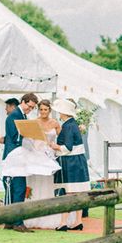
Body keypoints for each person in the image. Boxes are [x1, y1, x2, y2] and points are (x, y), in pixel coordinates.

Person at [50, 99, 91, 231]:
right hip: (78, 162)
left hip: (71, 164)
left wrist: (54, 146)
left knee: (68, 193)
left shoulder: (68, 126)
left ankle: (63, 222)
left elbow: (67, 147)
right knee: (77, 193)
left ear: (63, 112)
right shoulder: (73, 124)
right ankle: (78, 221)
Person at [1, 92, 39, 232]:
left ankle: (12, 221)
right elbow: (14, 137)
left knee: (19, 189)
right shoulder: (14, 116)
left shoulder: (22, 116)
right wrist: (28, 133)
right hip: (13, 157)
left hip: (19, 156)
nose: (30, 110)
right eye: (29, 106)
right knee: (16, 189)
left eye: (32, 108)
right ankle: (16, 222)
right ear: (23, 101)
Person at [24, 100, 63, 229]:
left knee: (48, 184)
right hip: (36, 156)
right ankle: (34, 214)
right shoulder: (34, 122)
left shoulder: (55, 123)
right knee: (35, 182)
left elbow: (62, 138)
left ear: (49, 110)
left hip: (50, 156)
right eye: (41, 109)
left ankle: (49, 214)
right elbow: (28, 140)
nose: (43, 112)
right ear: (38, 110)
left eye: (45, 109)